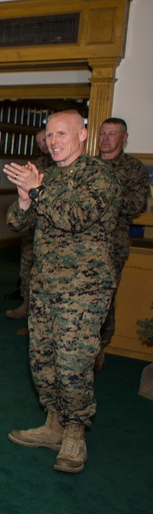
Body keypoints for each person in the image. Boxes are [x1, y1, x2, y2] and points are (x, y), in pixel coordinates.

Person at [4, 110, 119, 474]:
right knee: (42, 360)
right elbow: (18, 223)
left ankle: (75, 432)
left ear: (83, 135)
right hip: (44, 286)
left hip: (84, 289)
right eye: (50, 134)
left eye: (62, 134)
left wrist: (37, 190)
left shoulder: (100, 177)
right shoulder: (47, 177)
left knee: (73, 364)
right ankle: (53, 424)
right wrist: (24, 198)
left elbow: (73, 218)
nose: (54, 141)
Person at [95, 118, 149, 368]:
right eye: (103, 133)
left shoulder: (133, 168)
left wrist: (103, 202)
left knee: (105, 294)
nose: (106, 138)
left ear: (124, 138)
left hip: (113, 243)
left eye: (112, 134)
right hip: (80, 244)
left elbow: (137, 204)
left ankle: (100, 345)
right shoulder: (87, 165)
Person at [6, 127, 54, 319]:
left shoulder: (67, 168)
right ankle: (27, 305)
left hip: (55, 236)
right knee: (27, 269)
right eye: (41, 141)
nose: (45, 144)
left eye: (47, 138)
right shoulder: (39, 164)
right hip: (33, 228)